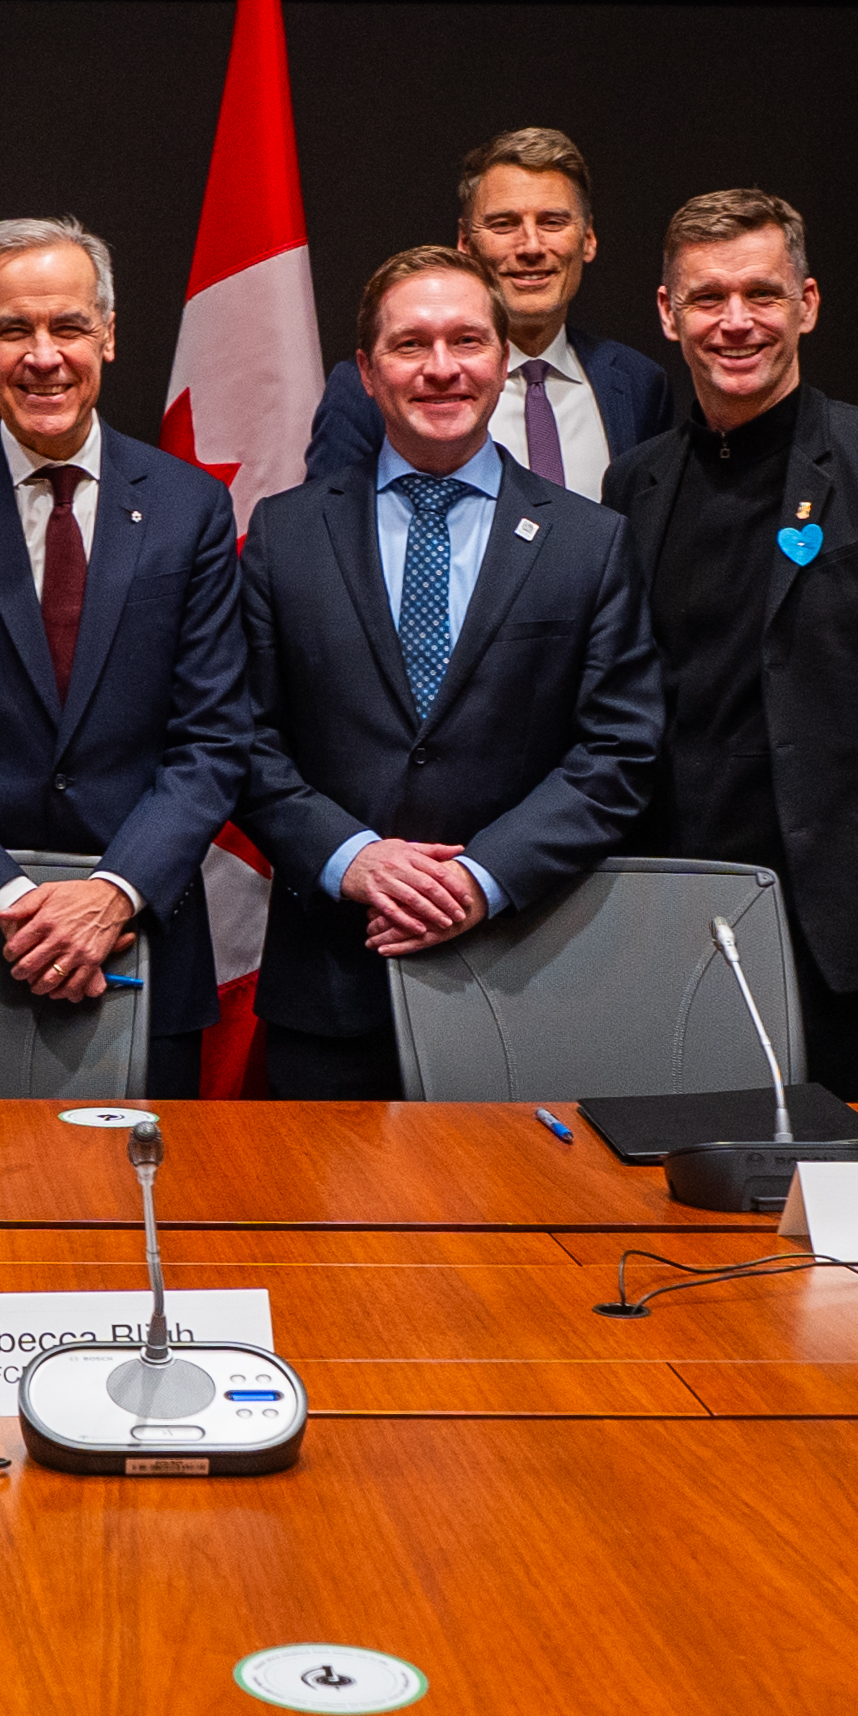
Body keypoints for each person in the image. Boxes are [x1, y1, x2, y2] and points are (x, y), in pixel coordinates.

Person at [601, 188, 858, 1090]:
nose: (735, 321)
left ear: (808, 303)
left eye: (762, 293)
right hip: (678, 922)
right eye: (707, 298)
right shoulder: (632, 486)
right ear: (667, 314)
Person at [0, 218, 261, 1072]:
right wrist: (15, 905)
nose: (43, 354)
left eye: (67, 325)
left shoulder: (190, 509)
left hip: (141, 942)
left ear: (107, 332)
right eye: (11, 329)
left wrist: (110, 895)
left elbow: (212, 741)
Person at [238, 250, 661, 1100]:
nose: (440, 368)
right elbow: (239, 737)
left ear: (503, 361)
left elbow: (620, 750)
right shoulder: (284, 533)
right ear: (364, 370)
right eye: (409, 344)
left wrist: (481, 874)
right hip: (329, 985)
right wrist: (350, 857)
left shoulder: (589, 540)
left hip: (521, 972)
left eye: (467, 340)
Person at [298, 128, 680, 497]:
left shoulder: (639, 385)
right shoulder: (372, 389)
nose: (531, 246)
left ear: (589, 237)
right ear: (465, 242)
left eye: (552, 222)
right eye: (504, 224)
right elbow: (328, 535)